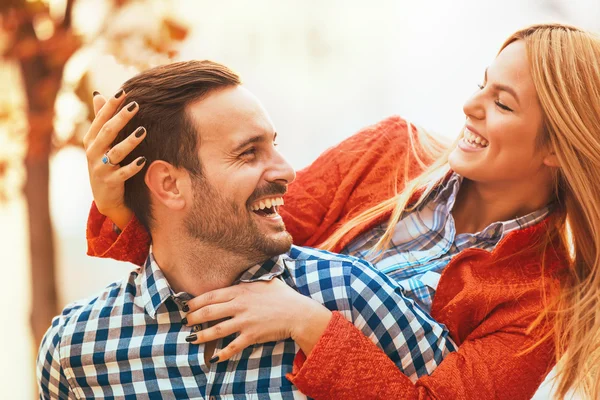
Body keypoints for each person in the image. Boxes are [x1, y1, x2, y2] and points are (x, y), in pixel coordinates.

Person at [84, 23, 600, 399]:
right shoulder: (388, 149)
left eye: (503, 104)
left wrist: (308, 323)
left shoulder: (545, 301)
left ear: (558, 145)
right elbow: (232, 232)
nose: (471, 105)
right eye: (482, 83)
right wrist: (119, 210)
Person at [37, 60, 455, 399]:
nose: (287, 171)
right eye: (248, 153)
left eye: (274, 144)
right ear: (169, 184)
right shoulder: (76, 350)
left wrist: (319, 331)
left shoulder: (351, 295)